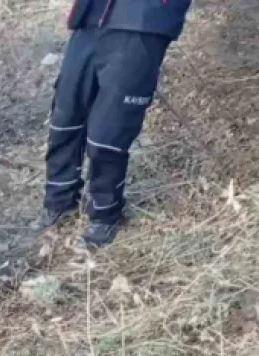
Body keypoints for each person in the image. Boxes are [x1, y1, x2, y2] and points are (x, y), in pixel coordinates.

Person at [42, 0, 193, 247]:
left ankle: (105, 213)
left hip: (142, 23)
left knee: (108, 133)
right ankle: (59, 200)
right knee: (65, 115)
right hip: (90, 17)